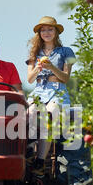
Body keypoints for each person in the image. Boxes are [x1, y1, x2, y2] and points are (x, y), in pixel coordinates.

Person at [26, 16, 76, 175]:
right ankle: (29, 148)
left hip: (58, 89)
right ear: (39, 33)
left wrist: (52, 66)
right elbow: (30, 79)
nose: (46, 32)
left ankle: (40, 160)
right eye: (43, 30)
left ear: (56, 32)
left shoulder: (66, 51)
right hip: (40, 89)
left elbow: (66, 78)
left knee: (51, 113)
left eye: (50, 29)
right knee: (31, 111)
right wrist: (38, 69)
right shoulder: (35, 53)